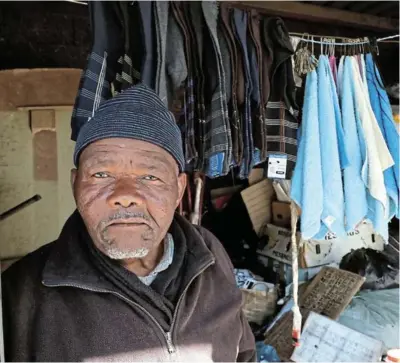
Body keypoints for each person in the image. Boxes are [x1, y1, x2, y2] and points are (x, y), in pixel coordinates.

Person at [2, 85, 256, 362]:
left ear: (179, 190)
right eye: (101, 174)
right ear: (75, 186)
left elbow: (243, 352)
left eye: (150, 177)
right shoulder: (18, 295)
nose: (125, 196)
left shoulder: (209, 255)